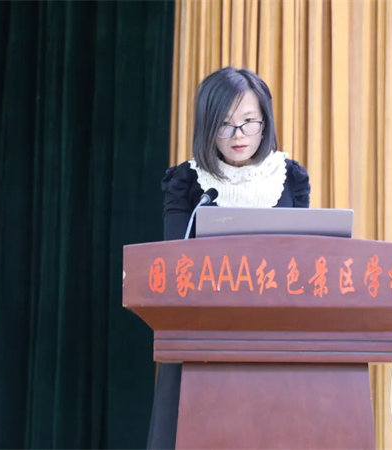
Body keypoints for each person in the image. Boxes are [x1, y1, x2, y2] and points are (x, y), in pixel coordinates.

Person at [146, 66, 310, 449]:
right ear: (207, 126)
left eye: (249, 122)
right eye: (225, 124)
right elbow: (173, 265)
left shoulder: (290, 178)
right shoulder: (187, 182)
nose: (239, 135)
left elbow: (301, 262)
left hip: (273, 339)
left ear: (265, 121)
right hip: (199, 339)